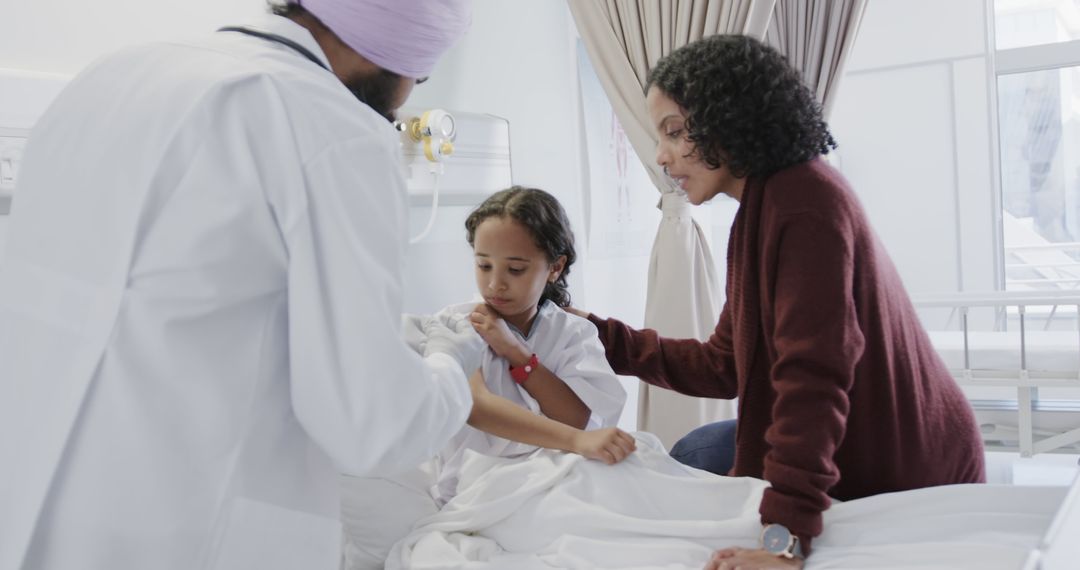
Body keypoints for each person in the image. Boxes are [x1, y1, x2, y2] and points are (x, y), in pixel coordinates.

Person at [0, 1, 483, 569]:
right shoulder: (335, 128)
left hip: (33, 493)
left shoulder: (112, 75)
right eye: (419, 77)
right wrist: (452, 366)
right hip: (182, 524)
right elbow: (373, 423)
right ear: (397, 53)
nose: (407, 96)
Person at [569, 35, 986, 570]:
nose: (661, 154)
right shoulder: (760, 212)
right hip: (869, 436)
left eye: (674, 131)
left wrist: (783, 540)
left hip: (909, 461)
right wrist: (601, 337)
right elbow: (724, 365)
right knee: (696, 451)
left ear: (730, 118)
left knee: (693, 459)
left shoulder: (803, 205)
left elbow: (812, 380)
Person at [340, 186, 635, 569]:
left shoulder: (573, 334)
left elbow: (579, 417)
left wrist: (518, 356)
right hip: (484, 489)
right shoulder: (456, 326)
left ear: (555, 267)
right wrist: (578, 441)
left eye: (515, 269)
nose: (496, 283)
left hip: (562, 471)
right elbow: (476, 408)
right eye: (483, 265)